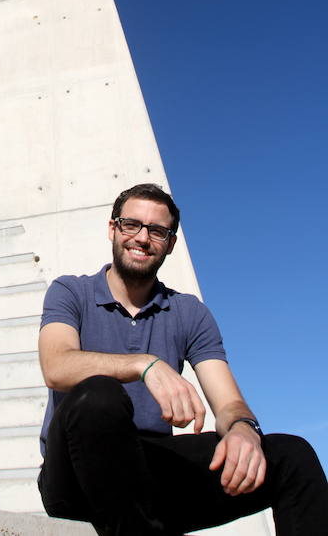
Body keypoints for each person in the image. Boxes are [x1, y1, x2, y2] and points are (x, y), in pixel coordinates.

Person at [37, 183, 328, 536]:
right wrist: (143, 364)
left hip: (152, 471)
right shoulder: (71, 291)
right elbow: (57, 366)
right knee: (99, 395)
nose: (142, 238)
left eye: (158, 231)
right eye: (132, 225)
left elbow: (230, 403)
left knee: (291, 455)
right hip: (75, 474)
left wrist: (242, 430)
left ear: (170, 243)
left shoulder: (188, 312)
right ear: (113, 229)